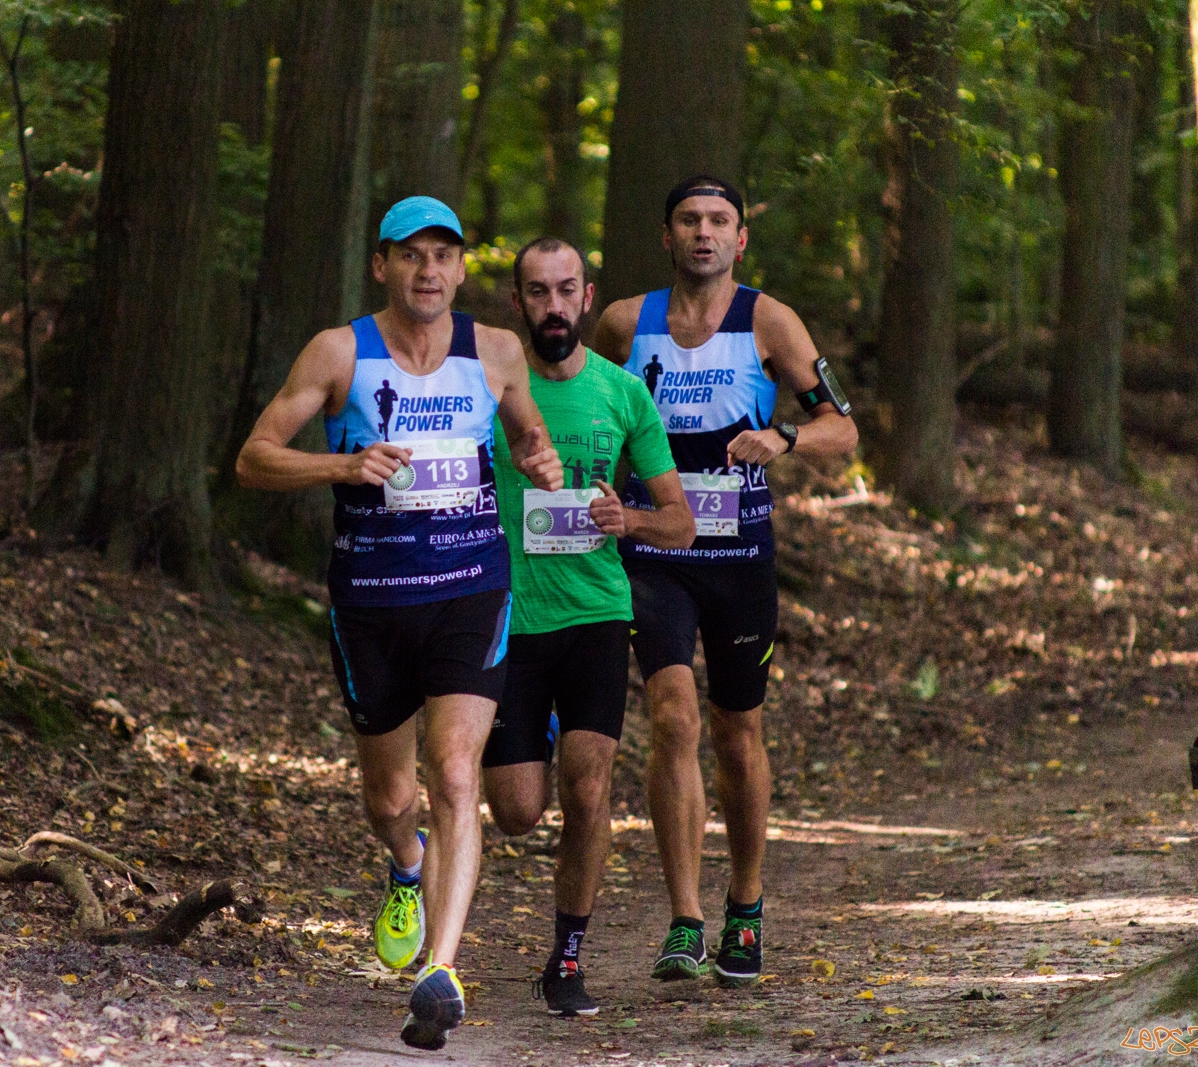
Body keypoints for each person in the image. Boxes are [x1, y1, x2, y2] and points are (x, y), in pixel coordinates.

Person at [236, 196, 563, 1050]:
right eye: (411, 256)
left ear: (461, 269)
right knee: (390, 795)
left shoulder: (495, 351)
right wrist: (344, 461)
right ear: (382, 265)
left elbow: (528, 435)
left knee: (457, 772)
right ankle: (406, 865)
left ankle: (441, 971)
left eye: (443, 257)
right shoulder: (340, 352)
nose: (428, 271)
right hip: (372, 602)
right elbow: (254, 456)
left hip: (469, 587)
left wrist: (539, 455)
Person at [593, 175, 858, 987]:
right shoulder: (622, 324)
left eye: (719, 221)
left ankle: (744, 905)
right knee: (672, 717)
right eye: (688, 220)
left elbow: (841, 428)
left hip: (740, 559)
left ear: (740, 239)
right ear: (666, 235)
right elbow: (580, 407)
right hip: (653, 554)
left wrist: (782, 437)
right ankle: (684, 919)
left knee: (738, 733)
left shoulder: (768, 322)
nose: (703, 233)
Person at [482, 237, 694, 1017]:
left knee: (590, 781)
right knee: (515, 809)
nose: (554, 306)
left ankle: (567, 955)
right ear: (518, 305)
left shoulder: (623, 393)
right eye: (537, 293)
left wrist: (627, 516)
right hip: (510, 617)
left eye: (566, 290)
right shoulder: (492, 389)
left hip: (597, 614)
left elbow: (682, 522)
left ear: (589, 296)